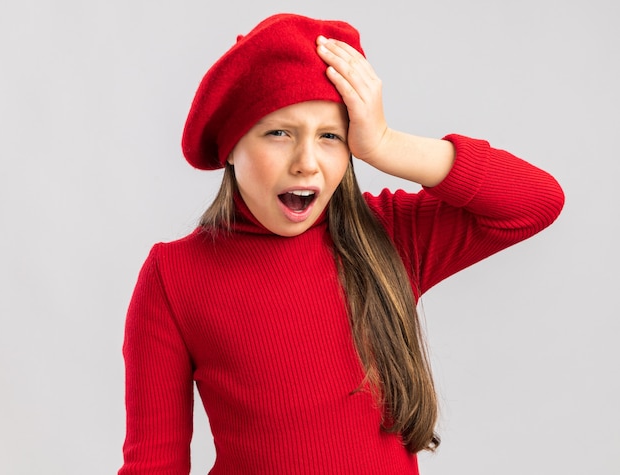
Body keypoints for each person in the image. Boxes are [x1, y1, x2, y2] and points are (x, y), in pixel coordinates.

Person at [118, 13, 564, 475]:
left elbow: (536, 202)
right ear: (230, 146)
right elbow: (154, 464)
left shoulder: (388, 234)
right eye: (279, 132)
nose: (307, 163)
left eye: (330, 136)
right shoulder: (174, 276)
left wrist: (386, 145)